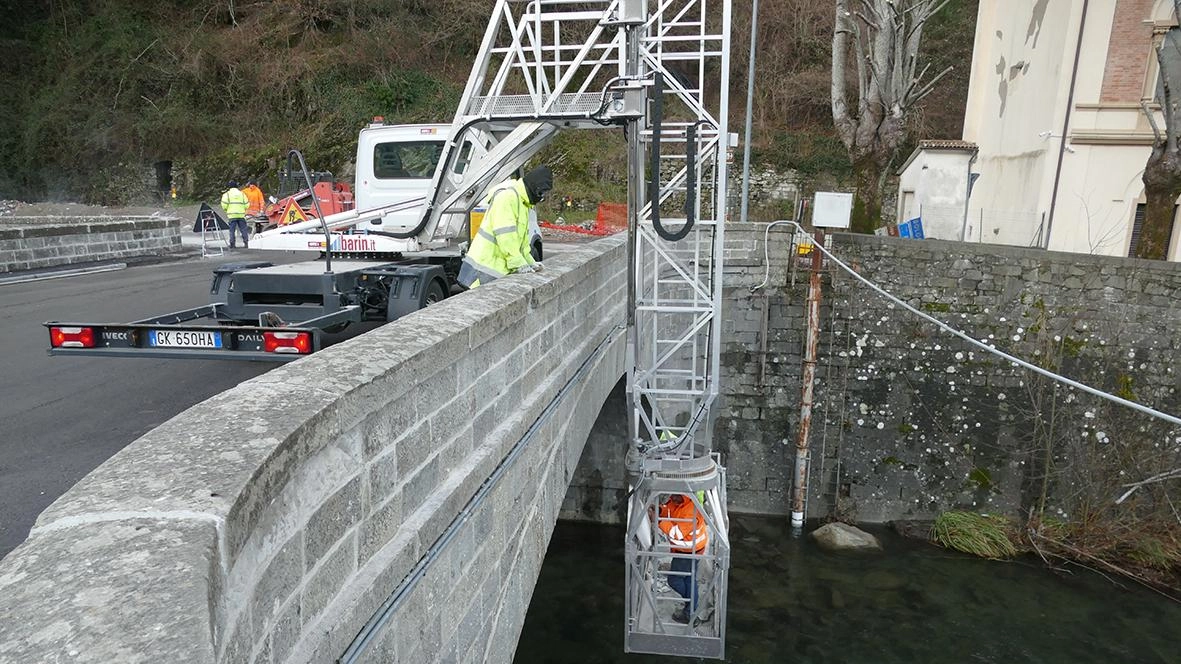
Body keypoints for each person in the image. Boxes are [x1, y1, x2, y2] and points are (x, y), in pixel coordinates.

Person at [457, 165, 552, 289]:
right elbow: (505, 236)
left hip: (494, 270)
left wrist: (530, 262)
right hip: (483, 269)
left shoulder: (522, 202)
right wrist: (518, 263)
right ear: (535, 188)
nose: (541, 198)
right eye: (541, 193)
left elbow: (521, 243)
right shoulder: (507, 197)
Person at [657, 492, 708, 624]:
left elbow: (677, 533)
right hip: (693, 550)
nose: (672, 498)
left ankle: (691, 609)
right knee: (689, 579)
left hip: (688, 552)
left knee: (674, 580)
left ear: (684, 495)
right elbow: (671, 510)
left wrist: (659, 521)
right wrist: (660, 510)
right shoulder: (681, 502)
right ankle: (691, 610)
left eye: (675, 496)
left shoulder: (690, 510)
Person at [220, 180, 250, 249]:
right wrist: (243, 209)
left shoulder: (226, 194)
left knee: (232, 230)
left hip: (232, 215)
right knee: (243, 229)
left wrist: (227, 210)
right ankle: (246, 243)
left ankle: (232, 244)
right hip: (241, 215)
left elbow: (224, 205)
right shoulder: (242, 194)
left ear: (229, 187)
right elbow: (247, 204)